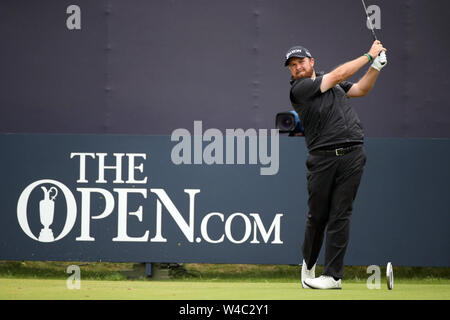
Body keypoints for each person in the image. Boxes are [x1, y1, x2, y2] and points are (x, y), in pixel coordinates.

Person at [285, 41, 387, 289]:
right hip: (322, 158)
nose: (297, 67)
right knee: (317, 216)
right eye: (292, 65)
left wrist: (376, 67)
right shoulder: (300, 89)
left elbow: (361, 89)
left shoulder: (332, 84)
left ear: (312, 61)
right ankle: (309, 263)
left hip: (352, 153)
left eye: (301, 62)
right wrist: (368, 55)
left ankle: (332, 276)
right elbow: (339, 74)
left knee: (341, 214)